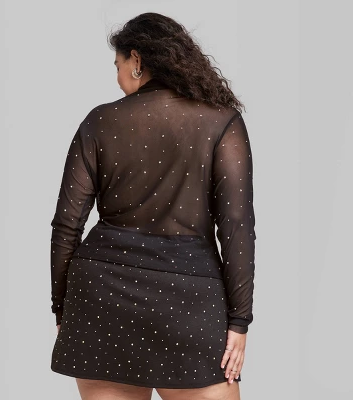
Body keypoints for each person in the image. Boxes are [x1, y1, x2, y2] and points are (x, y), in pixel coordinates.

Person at [49, 12, 256, 400]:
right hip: (189, 302)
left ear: (137, 60)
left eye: (117, 65)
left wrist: (62, 308)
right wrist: (239, 321)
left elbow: (66, 225)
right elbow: (236, 226)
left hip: (102, 299)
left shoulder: (100, 121)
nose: (117, 78)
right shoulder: (222, 122)